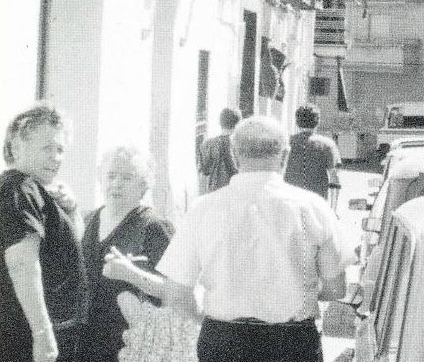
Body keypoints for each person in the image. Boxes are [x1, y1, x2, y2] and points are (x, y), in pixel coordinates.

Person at [102, 115, 353, 362]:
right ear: (285, 156)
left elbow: (178, 294)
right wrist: (293, 290)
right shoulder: (314, 207)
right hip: (292, 342)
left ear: (233, 155)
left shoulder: (203, 209)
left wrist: (212, 316)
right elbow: (336, 288)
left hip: (224, 340)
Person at [1, 104, 87, 362]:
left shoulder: (33, 192)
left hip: (40, 330)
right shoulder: (20, 189)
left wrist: (71, 209)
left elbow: (75, 243)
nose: (56, 157)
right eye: (47, 147)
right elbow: (22, 264)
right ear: (16, 147)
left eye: (60, 149)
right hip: (27, 335)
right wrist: (43, 333)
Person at [78, 146, 173, 362]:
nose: (116, 183)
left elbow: (178, 293)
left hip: (131, 346)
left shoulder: (154, 227)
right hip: (83, 343)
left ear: (143, 185)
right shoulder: (86, 221)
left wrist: (131, 274)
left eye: (127, 177)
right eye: (111, 175)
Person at [284, 104, 341, 202]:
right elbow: (334, 178)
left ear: (297, 122)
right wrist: (332, 210)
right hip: (316, 203)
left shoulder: (285, 142)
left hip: (290, 201)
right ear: (317, 122)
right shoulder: (327, 145)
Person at [198, 108, 241, 192]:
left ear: (220, 123)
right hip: (236, 194)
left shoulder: (207, 144)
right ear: (238, 124)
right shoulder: (242, 145)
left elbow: (203, 175)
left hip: (214, 194)